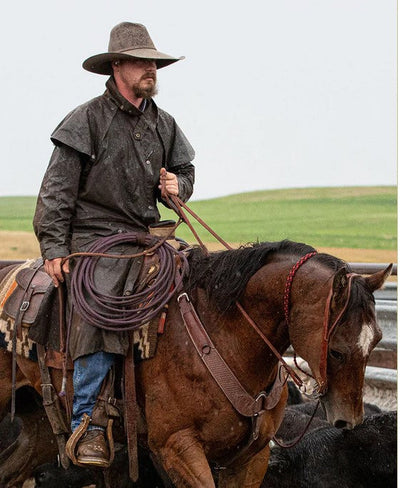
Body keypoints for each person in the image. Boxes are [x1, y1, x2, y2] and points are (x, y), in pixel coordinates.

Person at [33, 21, 195, 468]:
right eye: (143, 62)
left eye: (155, 63)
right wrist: (54, 249)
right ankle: (90, 421)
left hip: (149, 235)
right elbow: (56, 193)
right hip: (95, 238)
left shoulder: (164, 123)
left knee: (201, 280)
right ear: (118, 66)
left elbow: (187, 172)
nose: (151, 69)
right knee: (106, 297)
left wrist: (176, 184)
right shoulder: (85, 120)